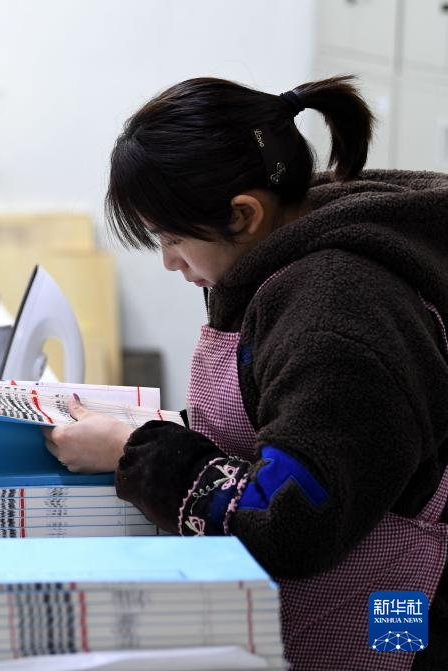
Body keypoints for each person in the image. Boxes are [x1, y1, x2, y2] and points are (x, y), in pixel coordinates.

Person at [42, 76, 448, 670]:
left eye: (172, 238)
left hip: (395, 605)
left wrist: (137, 452)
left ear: (244, 214)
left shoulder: (335, 314)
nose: (170, 262)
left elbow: (292, 520)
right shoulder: (290, 252)